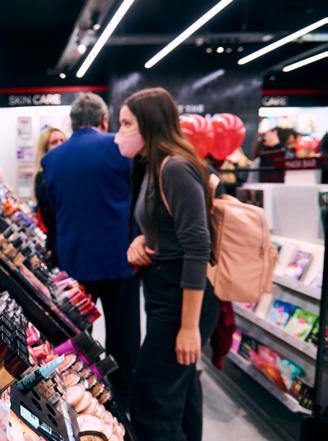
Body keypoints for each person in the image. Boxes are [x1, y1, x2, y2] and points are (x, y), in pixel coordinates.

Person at [119, 87, 219, 441]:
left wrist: (189, 327)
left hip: (181, 300)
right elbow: (168, 228)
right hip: (165, 293)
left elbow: (197, 246)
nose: (119, 133)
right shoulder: (153, 165)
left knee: (151, 401)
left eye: (127, 124)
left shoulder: (174, 167)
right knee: (179, 391)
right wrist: (141, 241)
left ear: (150, 123)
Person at [41, 93, 139, 412]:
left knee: (77, 337)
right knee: (124, 338)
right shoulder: (120, 148)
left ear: (71, 123)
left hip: (75, 262)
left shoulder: (52, 160)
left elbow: (52, 212)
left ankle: (80, 400)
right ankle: (121, 405)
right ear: (104, 120)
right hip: (120, 260)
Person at [33, 127, 67, 266]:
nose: (60, 144)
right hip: (60, 245)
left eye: (62, 140)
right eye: (54, 142)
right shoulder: (43, 177)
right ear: (45, 149)